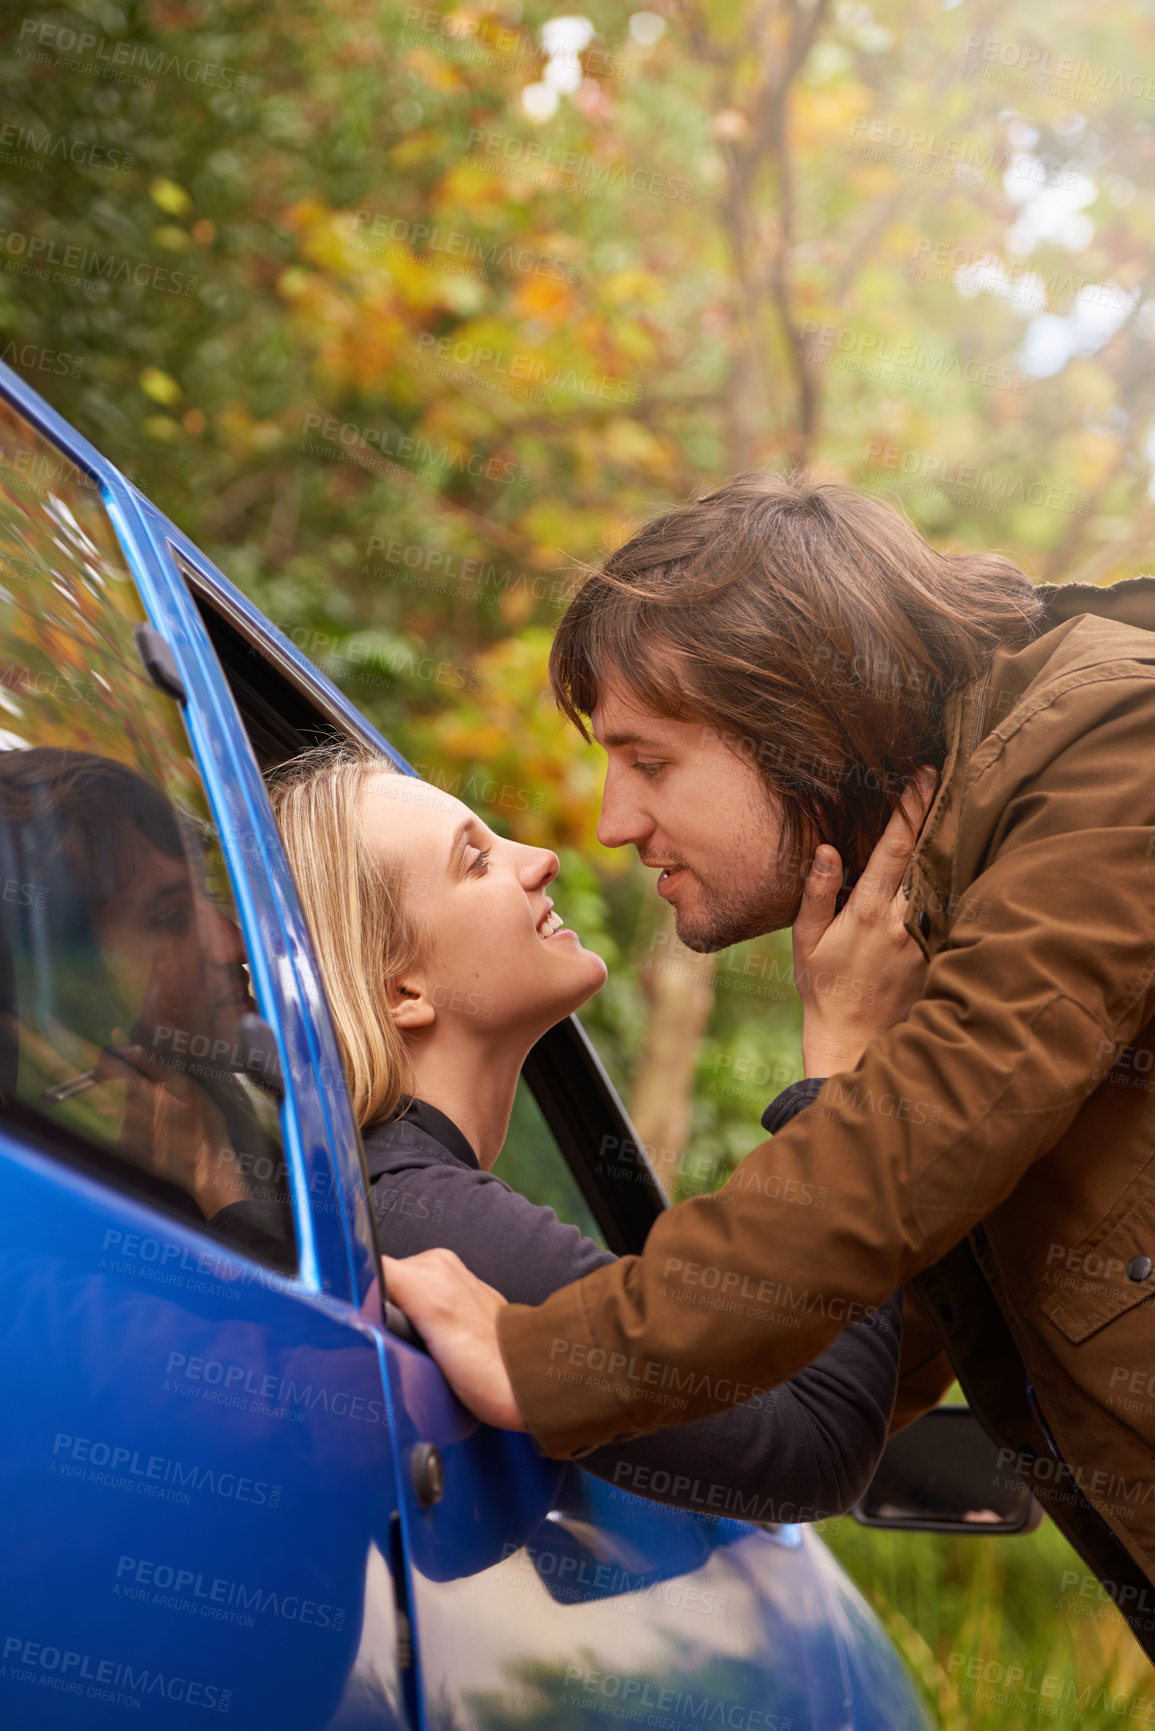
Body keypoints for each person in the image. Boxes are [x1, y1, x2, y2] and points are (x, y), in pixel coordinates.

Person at [383, 474, 1155, 1660]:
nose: (610, 824)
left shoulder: (1108, 747)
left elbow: (951, 1109)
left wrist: (548, 1361)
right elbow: (917, 1272)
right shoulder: (958, 868)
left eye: (649, 761)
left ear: (800, 720)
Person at [267, 742, 931, 1520]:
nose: (541, 858)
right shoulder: (421, 1216)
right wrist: (847, 1073)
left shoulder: (382, 1190)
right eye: (475, 860)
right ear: (400, 989)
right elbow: (812, 1440)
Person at [0, 746, 293, 1265]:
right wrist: (214, 1182)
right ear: (66, 986)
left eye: (210, 897)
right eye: (169, 920)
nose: (234, 943)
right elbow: (296, 1345)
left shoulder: (225, 1095)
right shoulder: (53, 1227)